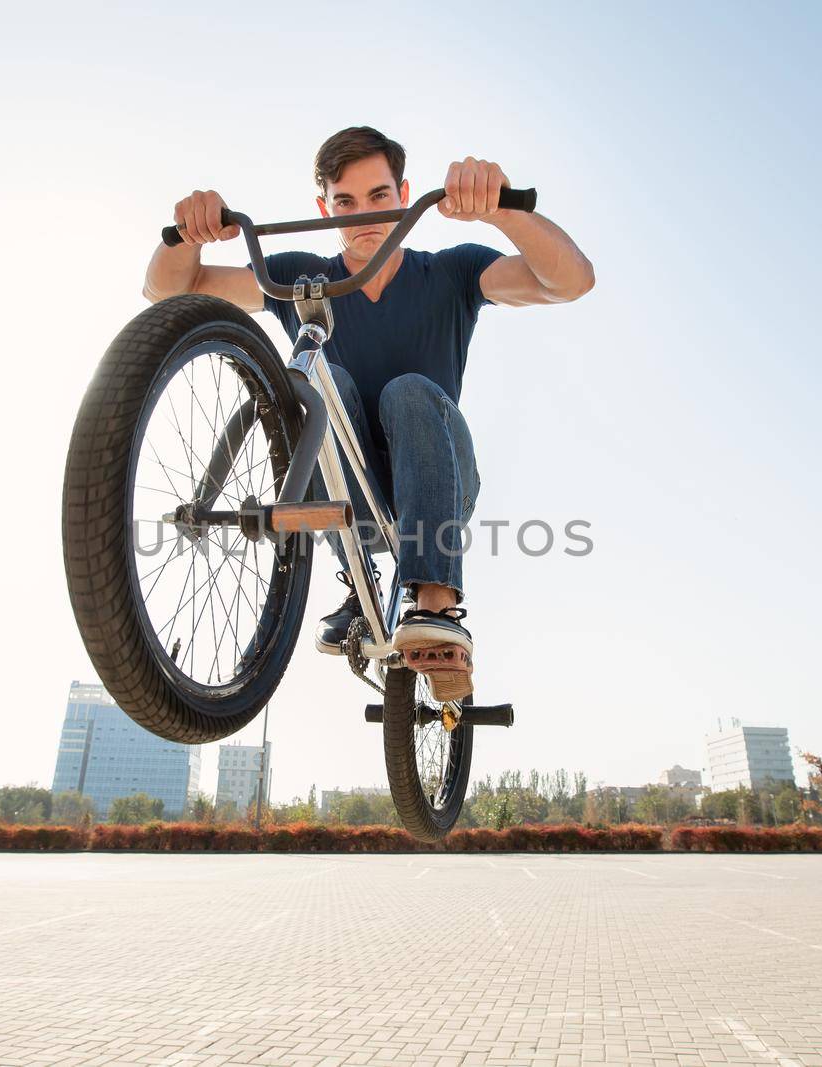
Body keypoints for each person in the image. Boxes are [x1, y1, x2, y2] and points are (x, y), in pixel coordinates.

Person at [142, 126, 593, 700]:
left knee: (407, 390)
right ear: (322, 209)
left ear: (404, 194)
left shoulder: (452, 273)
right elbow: (170, 292)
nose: (362, 218)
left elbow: (570, 281)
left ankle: (436, 605)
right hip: (347, 490)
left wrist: (501, 210)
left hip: (436, 477)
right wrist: (187, 235)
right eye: (345, 203)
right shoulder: (302, 279)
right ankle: (360, 587)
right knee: (326, 384)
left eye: (379, 196)